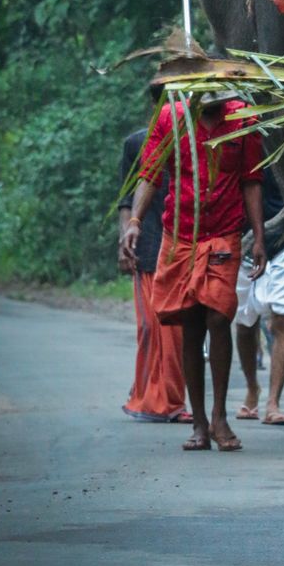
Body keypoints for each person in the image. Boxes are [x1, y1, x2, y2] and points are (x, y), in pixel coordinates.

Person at [124, 90, 266, 452]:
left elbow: (251, 181)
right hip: (180, 236)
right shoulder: (171, 118)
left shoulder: (242, 119)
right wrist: (135, 220)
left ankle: (220, 416)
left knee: (219, 317)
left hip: (224, 235)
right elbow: (150, 174)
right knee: (190, 322)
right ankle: (199, 423)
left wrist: (260, 238)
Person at [117, 108, 189, 424]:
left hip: (182, 243)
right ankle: (145, 395)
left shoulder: (195, 140)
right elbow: (126, 200)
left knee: (174, 330)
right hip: (146, 243)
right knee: (148, 327)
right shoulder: (136, 144)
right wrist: (124, 241)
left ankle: (172, 401)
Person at [234, 164, 284, 427]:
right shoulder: (241, 132)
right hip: (244, 239)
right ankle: (252, 388)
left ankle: (273, 403)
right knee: (244, 322)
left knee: (283, 319)